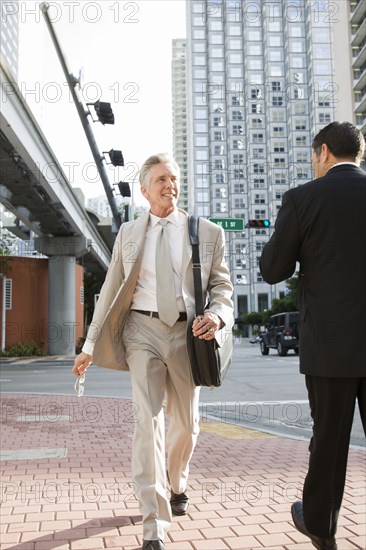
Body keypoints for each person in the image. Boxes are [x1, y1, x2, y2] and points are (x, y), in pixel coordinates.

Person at [73, 153, 234, 550]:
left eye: (174, 178)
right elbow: (111, 290)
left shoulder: (208, 232)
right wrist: (89, 344)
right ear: (145, 190)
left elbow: (222, 289)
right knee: (147, 421)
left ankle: (177, 483)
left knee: (187, 425)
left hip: (188, 333)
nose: (170, 185)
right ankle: (153, 523)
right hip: (141, 331)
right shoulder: (128, 233)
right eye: (161, 179)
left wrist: (216, 316)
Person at [260, 121, 366, 550]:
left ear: (323, 152)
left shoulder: (303, 199)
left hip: (330, 346)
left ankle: (321, 526)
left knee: (329, 440)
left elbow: (272, 269)